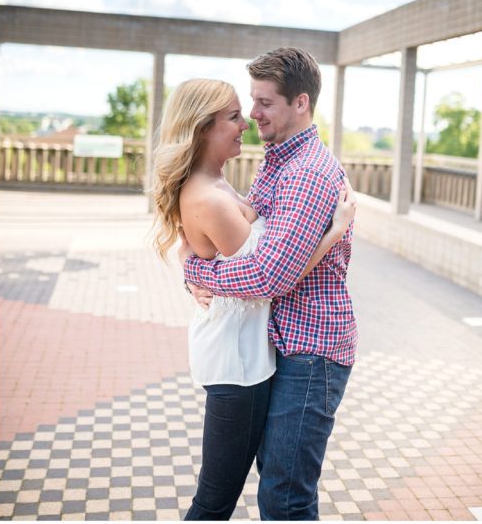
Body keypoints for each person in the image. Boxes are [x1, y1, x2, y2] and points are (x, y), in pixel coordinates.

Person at [151, 78, 355, 520]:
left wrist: (194, 265)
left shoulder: (230, 180)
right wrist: (333, 233)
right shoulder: (212, 193)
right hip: (236, 362)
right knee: (218, 500)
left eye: (259, 105)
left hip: (254, 355)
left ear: (299, 103)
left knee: (275, 491)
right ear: (202, 127)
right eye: (234, 115)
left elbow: (252, 266)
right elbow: (268, 277)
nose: (247, 120)